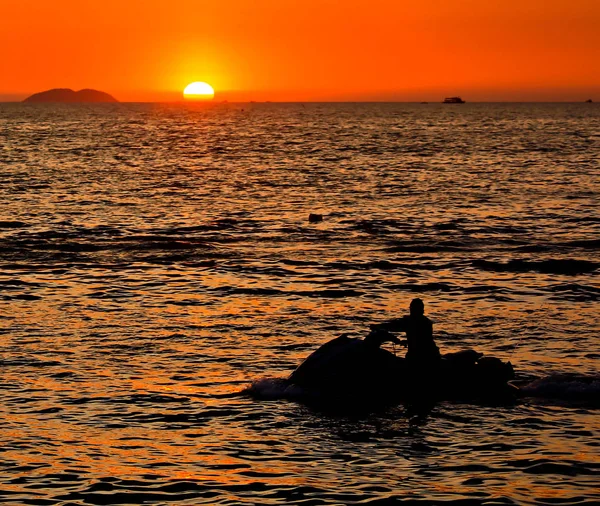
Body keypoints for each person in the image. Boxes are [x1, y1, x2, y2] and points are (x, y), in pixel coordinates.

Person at [369, 298, 440, 366]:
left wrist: (378, 326)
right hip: (433, 355)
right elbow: (421, 339)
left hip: (418, 358)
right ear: (423, 310)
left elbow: (394, 325)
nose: (411, 311)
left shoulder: (411, 321)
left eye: (413, 309)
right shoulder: (427, 322)